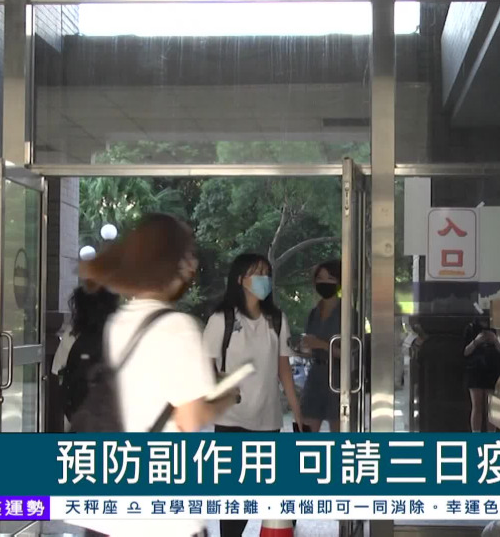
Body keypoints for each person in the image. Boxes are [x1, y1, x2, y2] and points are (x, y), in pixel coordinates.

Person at [74, 213, 237, 537]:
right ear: (169, 263)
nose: (193, 264)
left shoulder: (119, 321)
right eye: (188, 255)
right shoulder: (178, 327)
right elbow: (190, 418)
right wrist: (225, 398)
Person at [202, 253, 304, 537]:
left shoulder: (277, 320)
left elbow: (284, 371)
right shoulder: (221, 320)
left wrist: (297, 413)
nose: (264, 279)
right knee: (235, 499)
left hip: (267, 419)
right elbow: (205, 368)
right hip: (231, 419)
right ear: (240, 279)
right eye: (257, 273)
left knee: (260, 491)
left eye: (267, 274)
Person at [52, 284, 120, 431]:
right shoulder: (120, 333)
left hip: (79, 416)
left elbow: (57, 370)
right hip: (113, 417)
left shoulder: (72, 334)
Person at [298, 260, 342, 433]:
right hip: (315, 376)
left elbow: (351, 354)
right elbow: (309, 349)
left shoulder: (347, 313)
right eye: (320, 278)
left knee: (340, 432)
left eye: (330, 278)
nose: (324, 283)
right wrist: (303, 348)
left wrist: (323, 345)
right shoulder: (313, 313)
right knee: (304, 430)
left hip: (338, 378)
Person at [464, 317, 500, 433]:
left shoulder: (497, 328)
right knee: (477, 405)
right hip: (475, 369)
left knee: (491, 407)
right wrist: (477, 341)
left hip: (493, 369)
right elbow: (465, 352)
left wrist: (495, 340)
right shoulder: (471, 328)